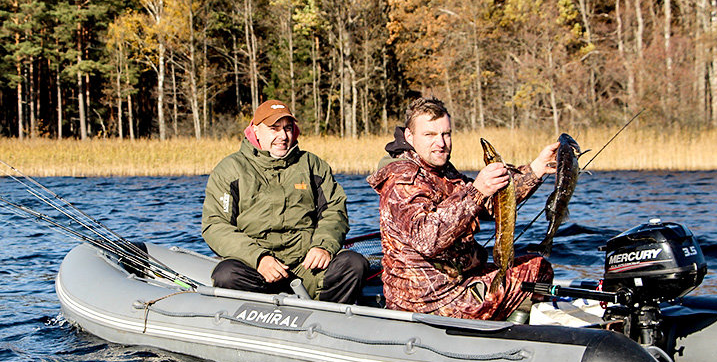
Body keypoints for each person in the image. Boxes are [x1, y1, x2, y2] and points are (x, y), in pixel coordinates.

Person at [367, 96, 558, 321]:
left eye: (445, 134)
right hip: (431, 303)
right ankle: (517, 337)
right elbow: (427, 239)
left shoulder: (443, 172)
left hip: (461, 281)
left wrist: (536, 169)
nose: (440, 143)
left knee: (529, 263)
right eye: (429, 135)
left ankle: (514, 325)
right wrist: (476, 191)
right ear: (410, 136)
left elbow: (492, 202)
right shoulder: (403, 179)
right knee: (537, 270)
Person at [202, 99, 369, 304]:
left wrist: (323, 246)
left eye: (288, 128)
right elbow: (215, 225)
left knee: (354, 263)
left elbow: (334, 211)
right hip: (256, 267)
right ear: (256, 130)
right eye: (274, 129)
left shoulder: (312, 165)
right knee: (226, 274)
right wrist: (259, 258)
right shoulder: (230, 169)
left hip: (306, 266)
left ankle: (327, 320)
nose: (283, 136)